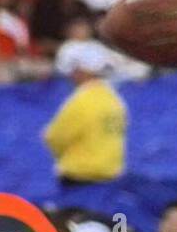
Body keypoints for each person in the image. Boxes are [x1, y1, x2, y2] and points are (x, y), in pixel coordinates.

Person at [43, 40, 127, 187]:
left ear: (80, 70)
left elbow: (55, 137)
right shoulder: (113, 99)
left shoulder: (82, 101)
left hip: (81, 177)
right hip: (111, 176)